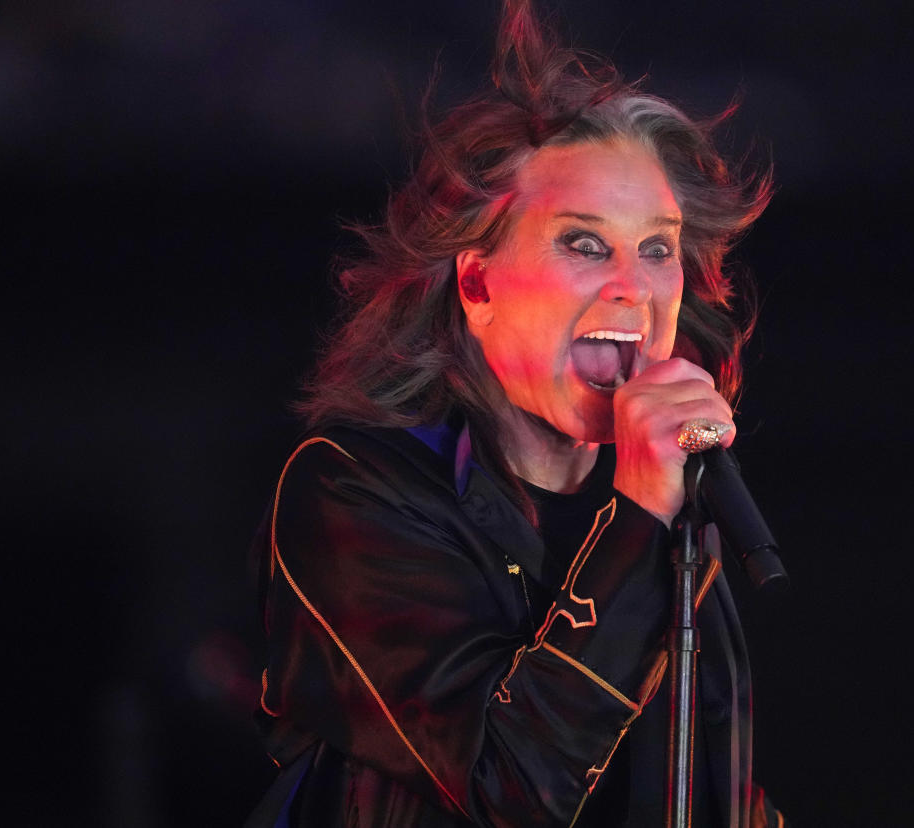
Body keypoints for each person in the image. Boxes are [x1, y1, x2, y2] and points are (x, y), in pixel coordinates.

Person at [247, 1, 781, 825]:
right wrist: (639, 519)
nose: (632, 288)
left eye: (657, 248)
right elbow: (511, 785)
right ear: (476, 285)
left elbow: (710, 789)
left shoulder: (675, 510)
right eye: (584, 243)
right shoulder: (354, 492)